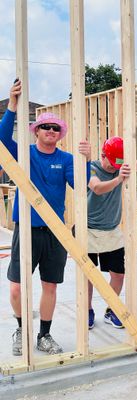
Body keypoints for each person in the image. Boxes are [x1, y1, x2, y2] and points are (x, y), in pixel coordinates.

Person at [0, 80, 91, 356]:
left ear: (59, 134)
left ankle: (44, 334)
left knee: (49, 285)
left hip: (54, 232)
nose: (50, 131)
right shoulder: (24, 155)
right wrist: (13, 105)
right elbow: (3, 140)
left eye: (55, 128)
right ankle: (21, 328)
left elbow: (81, 185)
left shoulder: (65, 159)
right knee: (16, 288)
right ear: (36, 131)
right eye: (45, 127)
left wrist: (85, 161)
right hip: (26, 229)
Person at [87, 135, 137, 329]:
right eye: (111, 163)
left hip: (112, 230)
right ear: (102, 155)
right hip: (88, 229)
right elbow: (97, 188)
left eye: (118, 164)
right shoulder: (91, 167)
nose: (113, 167)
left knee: (118, 275)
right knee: (88, 276)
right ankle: (87, 310)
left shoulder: (119, 166)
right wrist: (119, 178)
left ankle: (111, 309)